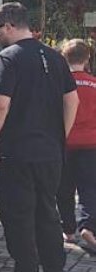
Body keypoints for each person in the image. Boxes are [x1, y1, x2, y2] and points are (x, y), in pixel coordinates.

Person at [0, 2, 79, 272]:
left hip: (16, 154)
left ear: (9, 26)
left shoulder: (8, 58)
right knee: (48, 214)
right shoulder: (55, 56)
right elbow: (72, 100)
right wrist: (59, 135)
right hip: (50, 153)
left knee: (19, 219)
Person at [58, 39, 96, 252]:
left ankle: (69, 230)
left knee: (64, 188)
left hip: (65, 144)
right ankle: (88, 226)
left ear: (64, 58)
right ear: (87, 58)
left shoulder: (60, 85)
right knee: (89, 188)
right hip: (92, 144)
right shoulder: (94, 84)